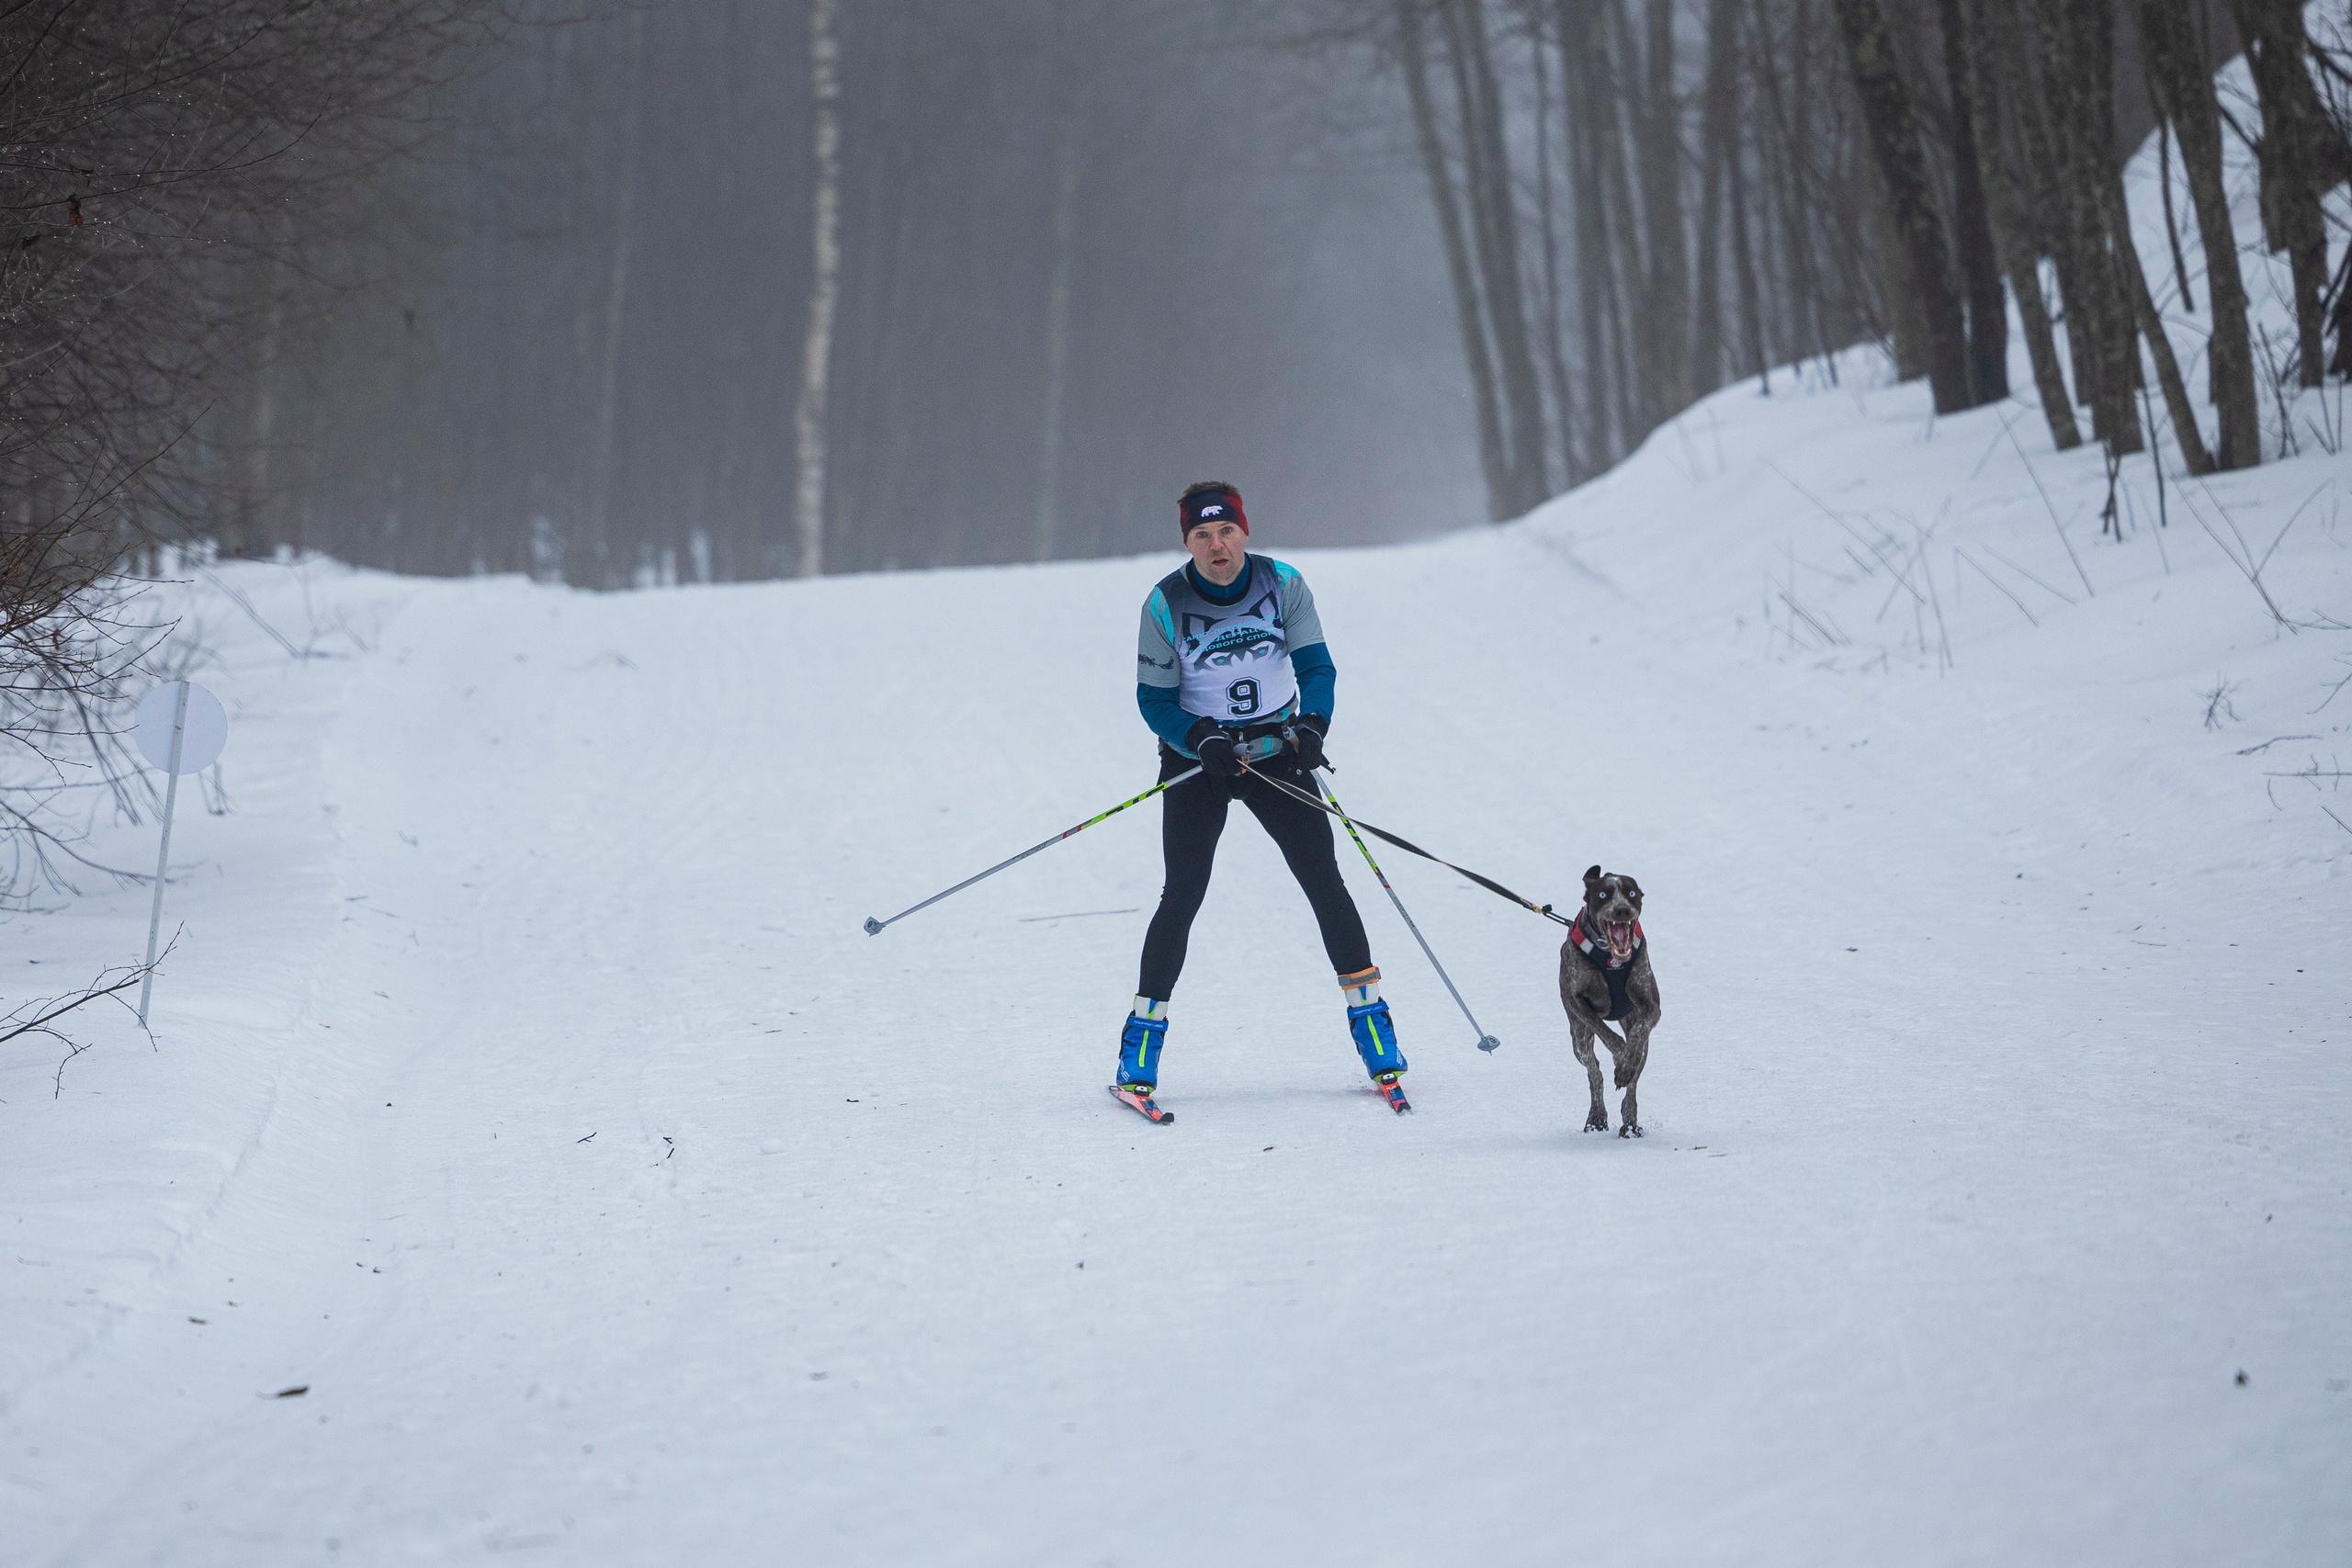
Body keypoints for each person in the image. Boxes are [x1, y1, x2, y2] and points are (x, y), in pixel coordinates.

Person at [1113, 480, 1408, 1117]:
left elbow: (1317, 668)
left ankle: (1375, 1031)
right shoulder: (1166, 602)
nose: (1216, 546)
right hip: (1202, 762)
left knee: (1324, 880)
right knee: (1182, 893)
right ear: (1187, 542)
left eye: (1226, 532)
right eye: (1202, 535)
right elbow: (1153, 699)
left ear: (1244, 531)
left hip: (1277, 752)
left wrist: (1313, 725)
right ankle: (1139, 1049)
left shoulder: (1284, 584)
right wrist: (1198, 737)